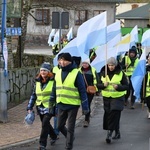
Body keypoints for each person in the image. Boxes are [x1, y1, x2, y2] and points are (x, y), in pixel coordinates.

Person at [50, 53, 89, 150]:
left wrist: (85, 107)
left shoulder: (77, 73)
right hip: (61, 103)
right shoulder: (58, 73)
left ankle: (68, 146)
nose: (61, 62)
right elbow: (54, 89)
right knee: (59, 126)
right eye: (60, 60)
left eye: (64, 60)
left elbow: (82, 91)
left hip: (73, 105)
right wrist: (51, 104)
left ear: (69, 61)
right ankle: (70, 138)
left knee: (71, 127)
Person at [26, 62, 57, 150]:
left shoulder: (53, 81)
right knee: (45, 124)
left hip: (50, 106)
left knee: (44, 124)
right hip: (40, 107)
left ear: (49, 72)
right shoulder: (37, 81)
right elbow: (34, 95)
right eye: (41, 70)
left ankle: (42, 144)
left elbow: (56, 94)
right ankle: (53, 135)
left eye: (45, 70)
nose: (43, 72)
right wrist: (29, 107)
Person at [97, 57, 129, 144]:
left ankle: (109, 134)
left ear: (116, 65)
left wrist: (118, 87)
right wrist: (103, 85)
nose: (111, 67)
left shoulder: (121, 73)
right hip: (107, 97)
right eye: (109, 65)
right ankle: (117, 132)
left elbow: (126, 86)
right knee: (109, 114)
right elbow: (97, 85)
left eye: (113, 65)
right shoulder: (103, 73)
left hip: (118, 97)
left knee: (114, 112)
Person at [80, 58, 98, 127]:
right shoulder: (79, 71)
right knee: (84, 104)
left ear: (89, 64)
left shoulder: (93, 70)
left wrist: (96, 89)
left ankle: (86, 119)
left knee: (87, 104)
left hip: (90, 90)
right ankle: (86, 113)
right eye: (83, 63)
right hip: (82, 91)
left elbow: (97, 79)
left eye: (86, 63)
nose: (84, 65)